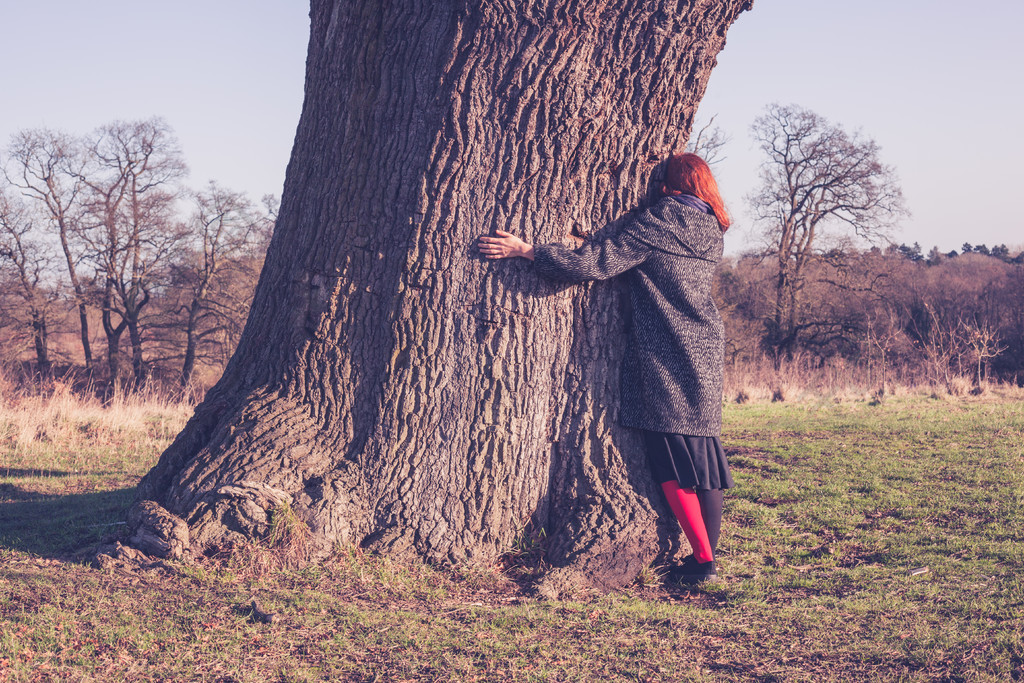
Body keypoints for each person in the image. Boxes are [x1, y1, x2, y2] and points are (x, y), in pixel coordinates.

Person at [477, 152, 734, 585]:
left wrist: (527, 251)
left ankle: (703, 561)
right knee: (704, 455)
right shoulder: (713, 228)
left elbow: (591, 264)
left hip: (667, 350)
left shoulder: (658, 222)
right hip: (705, 345)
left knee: (670, 458)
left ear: (667, 187)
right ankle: (707, 554)